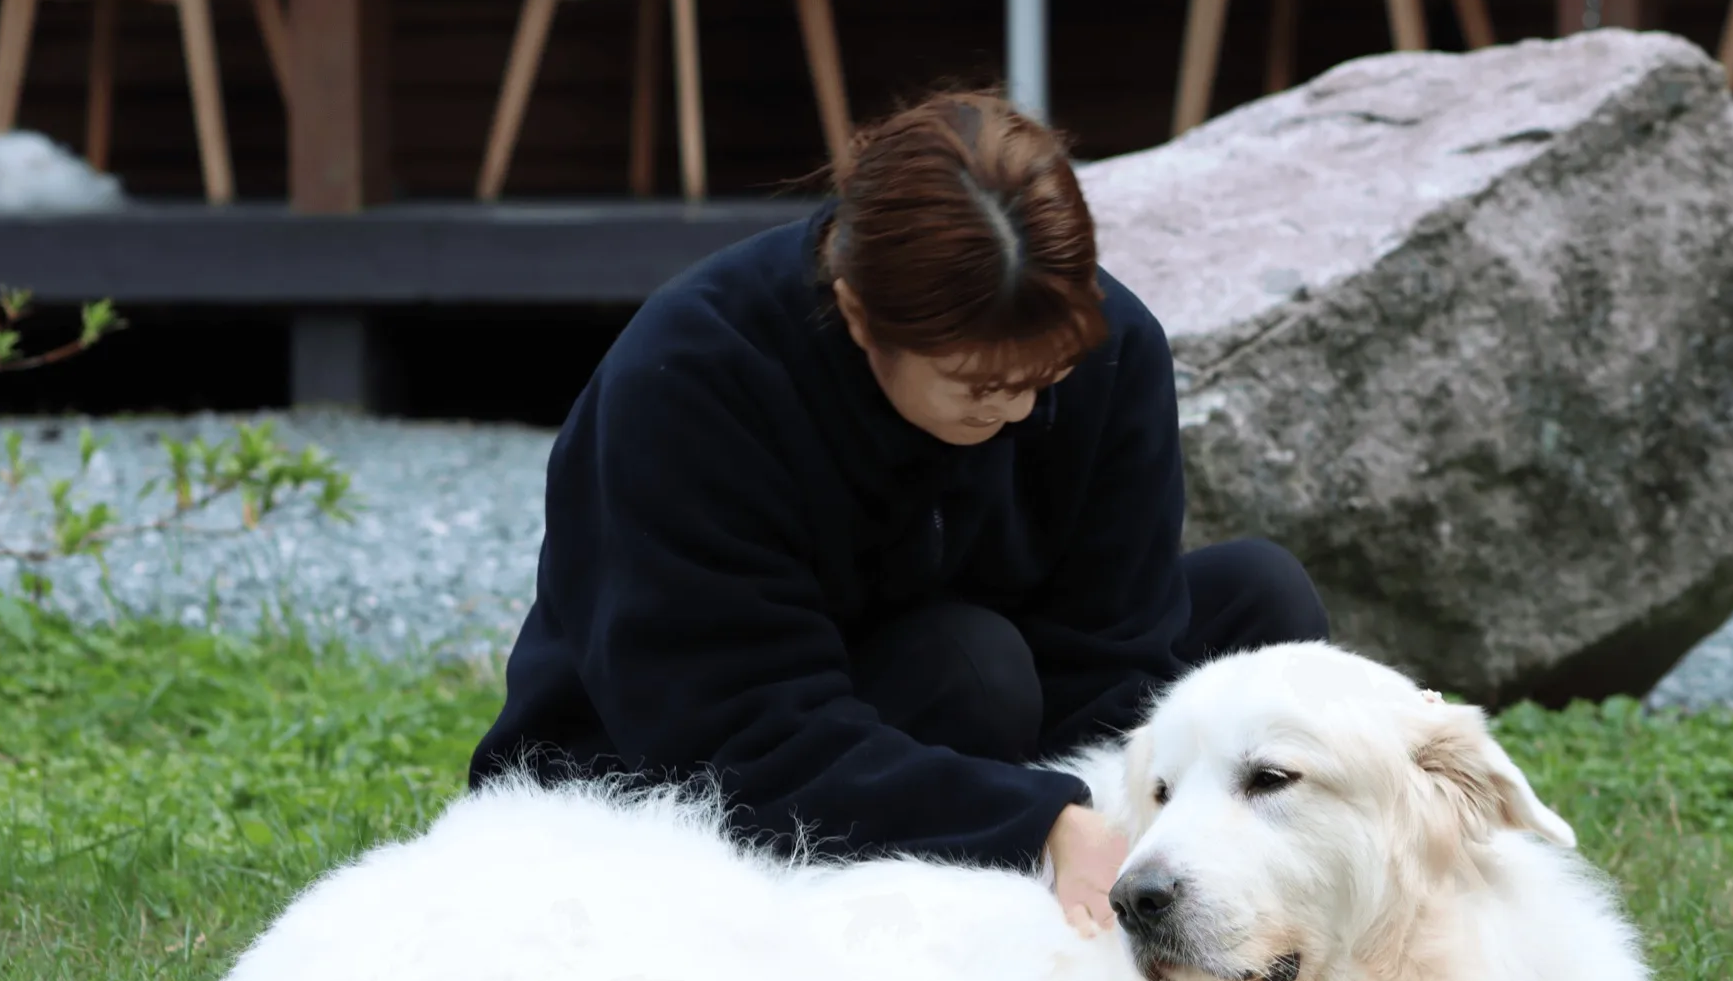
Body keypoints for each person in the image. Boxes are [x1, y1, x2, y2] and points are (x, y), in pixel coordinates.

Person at [470, 92, 1329, 934]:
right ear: (856, 313)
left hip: (977, 707)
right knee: (969, 664)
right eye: (981, 388)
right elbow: (734, 736)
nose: (1022, 415)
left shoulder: (1112, 347)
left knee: (1259, 602)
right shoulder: (692, 381)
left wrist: (1125, 810)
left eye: (1045, 379)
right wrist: (1032, 819)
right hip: (690, 759)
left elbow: (1116, 652)